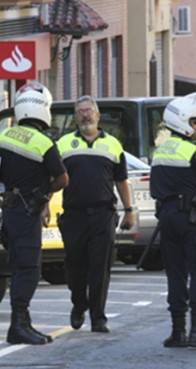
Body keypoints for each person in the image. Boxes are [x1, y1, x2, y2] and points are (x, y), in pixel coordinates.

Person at [0, 82, 69, 345]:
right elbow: (63, 179)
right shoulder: (44, 142)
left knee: (17, 265)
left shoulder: (6, 136)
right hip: (27, 209)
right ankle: (18, 325)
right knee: (29, 268)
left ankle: (22, 322)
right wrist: (43, 192)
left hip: (10, 209)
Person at [149, 91, 196, 349]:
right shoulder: (193, 151)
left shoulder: (160, 152)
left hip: (167, 218)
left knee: (175, 273)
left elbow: (155, 189)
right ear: (183, 123)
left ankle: (177, 331)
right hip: (191, 219)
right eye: (195, 121)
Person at [56, 95, 134, 333]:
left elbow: (121, 181)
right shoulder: (63, 144)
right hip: (73, 216)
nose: (85, 115)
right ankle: (79, 305)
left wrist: (129, 210)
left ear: (98, 115)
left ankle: (98, 317)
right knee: (75, 266)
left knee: (101, 267)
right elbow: (53, 179)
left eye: (89, 110)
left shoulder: (113, 144)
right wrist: (44, 208)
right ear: (75, 117)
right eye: (80, 111)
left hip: (103, 215)